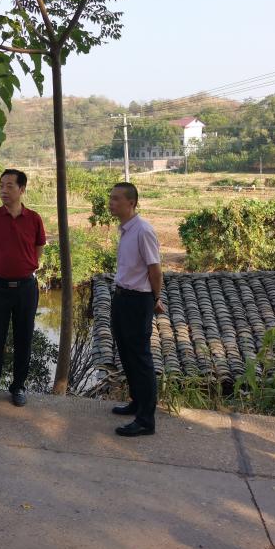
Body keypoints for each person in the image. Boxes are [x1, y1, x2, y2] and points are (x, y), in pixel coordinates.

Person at [0, 169, 46, 408]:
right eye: (1, 185)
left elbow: (38, 249)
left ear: (22, 189)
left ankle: (18, 387)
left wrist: (22, 265)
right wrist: (1, 263)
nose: (4, 190)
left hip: (26, 288)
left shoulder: (34, 218)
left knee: (24, 338)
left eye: (9, 186)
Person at [107, 181, 163, 437]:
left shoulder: (143, 231)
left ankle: (146, 420)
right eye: (111, 198)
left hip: (138, 300)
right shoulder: (126, 230)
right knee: (126, 353)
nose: (111, 202)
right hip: (122, 297)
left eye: (116, 198)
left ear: (131, 203)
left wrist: (155, 299)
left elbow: (155, 270)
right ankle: (137, 401)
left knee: (140, 358)